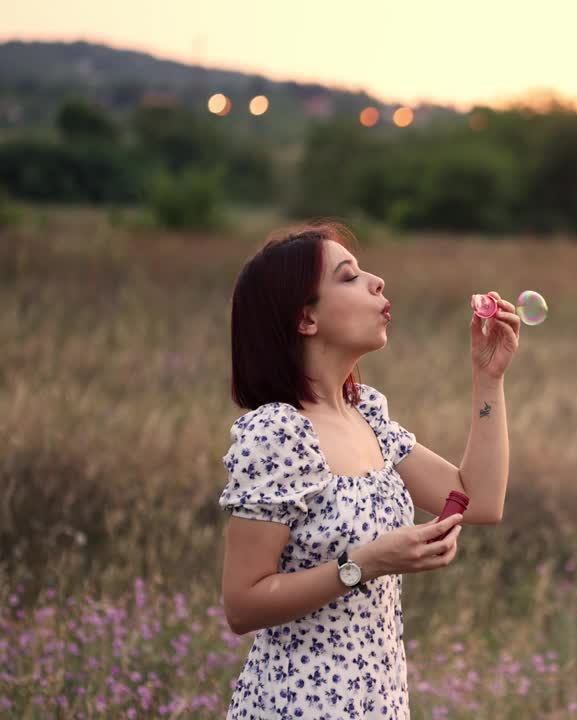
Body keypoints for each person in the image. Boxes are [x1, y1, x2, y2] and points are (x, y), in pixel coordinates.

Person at [217, 221, 518, 718]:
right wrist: (365, 563)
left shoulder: (367, 417)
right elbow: (242, 605)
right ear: (305, 319)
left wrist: (489, 379)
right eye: (349, 277)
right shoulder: (277, 432)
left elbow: (479, 499)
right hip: (296, 707)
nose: (377, 281)